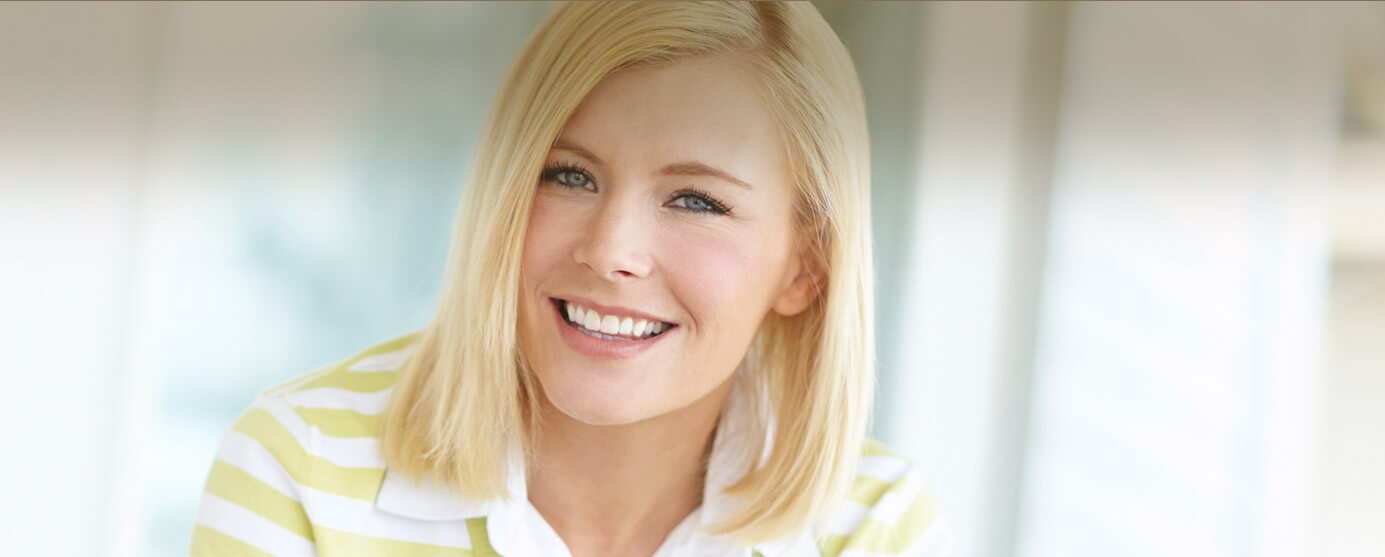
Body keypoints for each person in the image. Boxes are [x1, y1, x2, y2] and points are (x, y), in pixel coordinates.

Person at [190, 2, 952, 556]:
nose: (611, 249)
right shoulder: (299, 465)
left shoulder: (873, 525)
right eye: (568, 175)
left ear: (805, 266)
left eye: (695, 199)